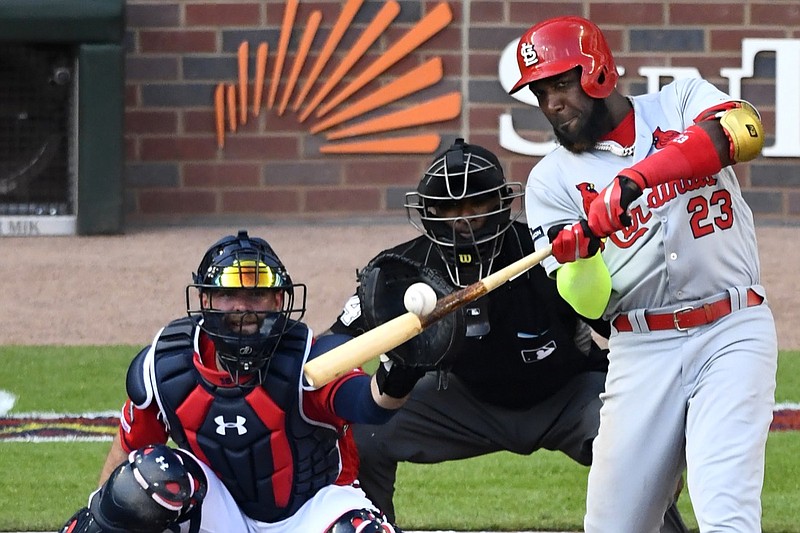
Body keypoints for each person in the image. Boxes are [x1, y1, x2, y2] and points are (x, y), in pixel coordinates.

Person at [326, 138, 688, 532]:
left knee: (640, 440)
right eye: (448, 210)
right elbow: (334, 345)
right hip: (459, 401)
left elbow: (623, 330)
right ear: (428, 213)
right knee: (363, 433)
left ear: (500, 204)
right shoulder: (401, 270)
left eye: (475, 207)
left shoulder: (546, 251)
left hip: (566, 396)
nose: (461, 222)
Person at [509, 16, 777, 532]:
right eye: (541, 93)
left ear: (597, 72)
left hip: (731, 327)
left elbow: (744, 131)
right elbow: (587, 306)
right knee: (613, 526)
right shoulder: (549, 182)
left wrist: (636, 179)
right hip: (641, 348)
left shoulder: (678, 102)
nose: (551, 104)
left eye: (561, 84)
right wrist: (581, 256)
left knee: (725, 507)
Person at [60, 230, 422, 533]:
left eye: (256, 295)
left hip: (313, 510)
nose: (243, 308)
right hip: (221, 513)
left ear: (278, 299)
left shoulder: (310, 357)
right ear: (205, 299)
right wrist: (100, 519)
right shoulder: (167, 366)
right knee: (147, 478)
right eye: (228, 295)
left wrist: (403, 369)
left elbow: (370, 404)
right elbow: (129, 455)